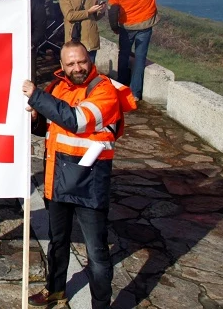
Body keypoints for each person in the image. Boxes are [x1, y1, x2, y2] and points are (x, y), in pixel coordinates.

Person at [23, 42, 136, 309]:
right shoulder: (58, 87)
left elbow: (77, 120)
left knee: (96, 253)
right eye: (71, 63)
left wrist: (37, 96)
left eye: (81, 61)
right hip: (58, 178)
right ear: (62, 66)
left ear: (89, 59)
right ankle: (55, 291)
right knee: (57, 242)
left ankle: (100, 304)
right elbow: (48, 128)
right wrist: (36, 116)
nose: (77, 68)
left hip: (90, 182)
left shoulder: (103, 89)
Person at [108, 0, 191, 100]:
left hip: (126, 27)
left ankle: (121, 87)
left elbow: (112, 10)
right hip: (145, 27)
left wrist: (115, 27)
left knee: (124, 55)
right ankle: (135, 93)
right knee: (140, 59)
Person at [59, 0, 105, 64]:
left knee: (91, 71)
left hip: (91, 41)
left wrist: (101, 11)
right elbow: (69, 15)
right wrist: (88, 11)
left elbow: (95, 18)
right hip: (75, 39)